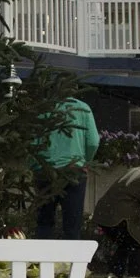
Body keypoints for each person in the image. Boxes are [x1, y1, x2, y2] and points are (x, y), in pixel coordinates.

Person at [35, 97, 99, 240]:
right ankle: (70, 260)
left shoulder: (44, 108)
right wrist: (85, 161)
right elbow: (93, 142)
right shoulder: (83, 108)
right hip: (74, 169)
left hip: (46, 169)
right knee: (73, 222)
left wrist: (35, 166)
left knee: (44, 221)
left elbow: (34, 141)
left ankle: (40, 258)